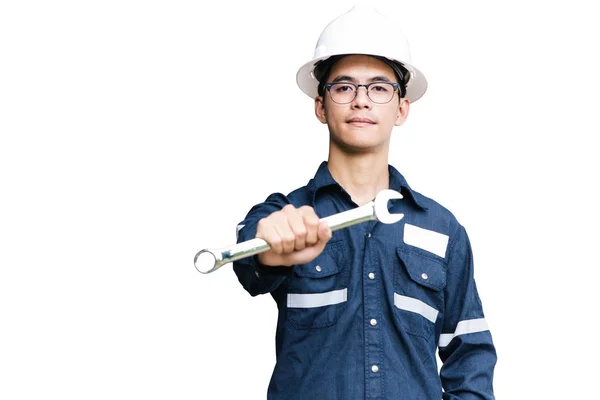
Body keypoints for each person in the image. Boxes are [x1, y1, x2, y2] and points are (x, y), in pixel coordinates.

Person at [233, 5, 496, 399]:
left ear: (401, 108)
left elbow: (469, 353)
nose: (361, 101)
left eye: (378, 87)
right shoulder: (284, 214)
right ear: (321, 106)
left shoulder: (442, 230)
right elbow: (249, 256)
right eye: (343, 87)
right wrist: (270, 246)